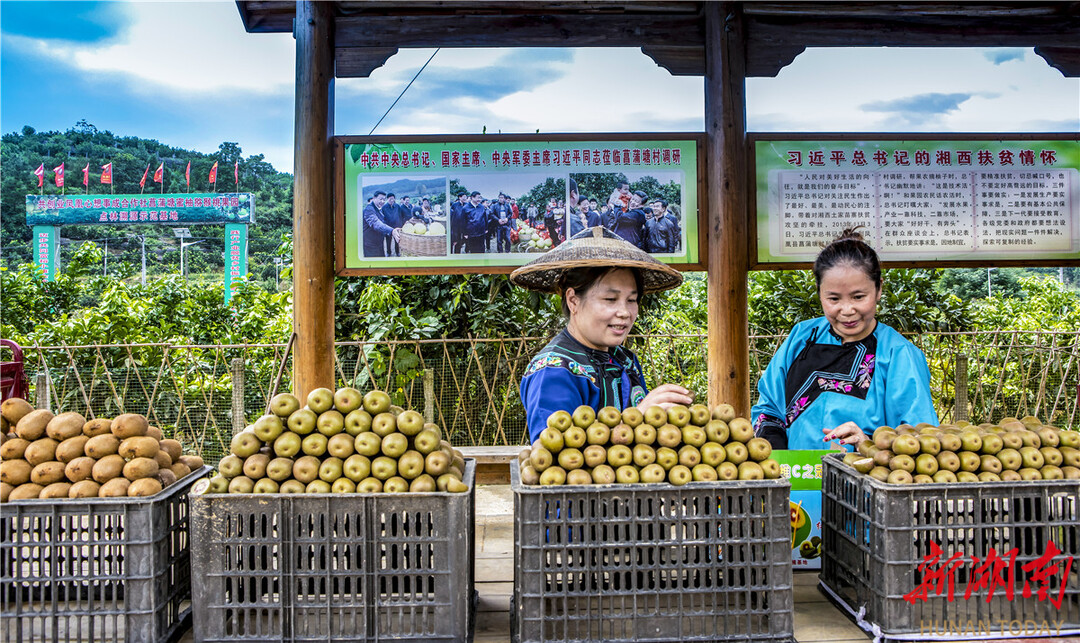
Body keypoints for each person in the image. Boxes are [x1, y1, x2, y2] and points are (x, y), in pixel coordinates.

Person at [750, 228, 937, 451]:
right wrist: (778, 456)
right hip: (795, 480)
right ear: (819, 292)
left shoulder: (899, 354)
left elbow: (920, 439)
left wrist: (866, 443)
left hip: (867, 483)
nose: (847, 310)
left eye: (859, 297)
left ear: (879, 289)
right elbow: (769, 410)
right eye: (833, 298)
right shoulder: (801, 337)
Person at [512, 226, 694, 443]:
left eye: (632, 300)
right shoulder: (553, 371)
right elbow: (552, 455)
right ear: (573, 300)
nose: (624, 313)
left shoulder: (625, 360)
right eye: (610, 299)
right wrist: (640, 418)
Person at [361, 191, 401, 257]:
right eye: (380, 199)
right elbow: (376, 224)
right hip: (371, 245)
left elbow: (383, 222)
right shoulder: (369, 209)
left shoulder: (379, 209)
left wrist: (393, 228)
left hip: (379, 243)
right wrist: (391, 231)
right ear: (374, 198)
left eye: (384, 200)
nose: (382, 201)